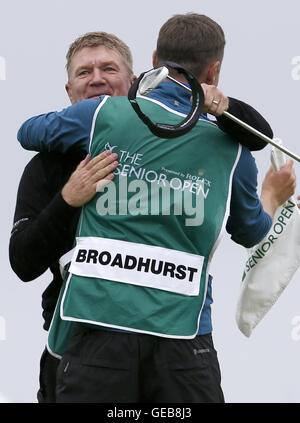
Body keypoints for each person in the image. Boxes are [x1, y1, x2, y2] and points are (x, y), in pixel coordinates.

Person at [12, 18, 291, 403]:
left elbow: (27, 130)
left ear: (147, 67)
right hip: (175, 348)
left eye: (108, 69)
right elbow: (251, 231)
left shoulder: (100, 116)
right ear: (214, 70)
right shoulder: (233, 149)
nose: (96, 80)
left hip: (100, 344)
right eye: (84, 72)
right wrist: (273, 200)